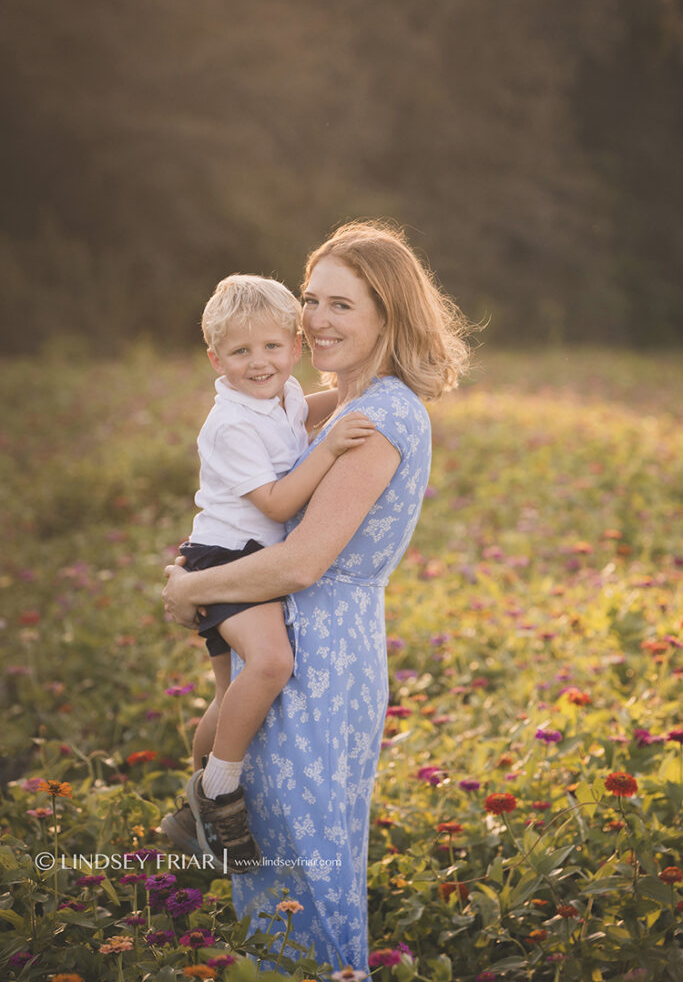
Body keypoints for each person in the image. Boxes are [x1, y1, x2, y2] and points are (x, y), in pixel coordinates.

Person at [162, 220, 471, 974]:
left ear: (387, 317)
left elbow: (302, 563)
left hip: (320, 660)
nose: (316, 320)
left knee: (305, 876)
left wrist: (190, 587)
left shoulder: (383, 417)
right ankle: (198, 802)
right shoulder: (338, 403)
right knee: (276, 876)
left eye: (341, 304)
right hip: (289, 644)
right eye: (311, 299)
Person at [160, 273, 375, 870]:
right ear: (216, 359)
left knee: (230, 696)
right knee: (272, 663)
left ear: (295, 347)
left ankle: (191, 810)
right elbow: (278, 505)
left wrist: (372, 392)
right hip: (226, 558)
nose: (259, 363)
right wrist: (330, 447)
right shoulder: (230, 424)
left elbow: (308, 412)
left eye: (273, 347)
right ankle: (218, 792)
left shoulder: (283, 395)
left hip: (247, 554)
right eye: (241, 352)